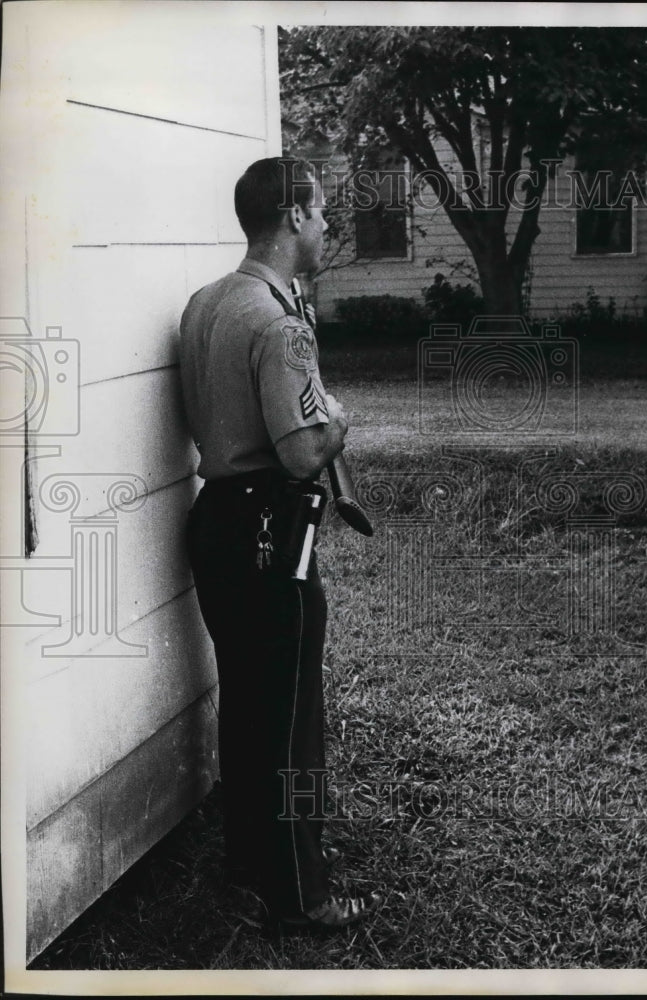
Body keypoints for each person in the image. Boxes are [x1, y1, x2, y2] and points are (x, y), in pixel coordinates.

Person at [179, 156, 379, 930]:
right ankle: (303, 895)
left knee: (250, 707)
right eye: (322, 211)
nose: (327, 225)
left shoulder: (206, 302)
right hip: (271, 529)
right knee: (293, 719)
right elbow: (301, 452)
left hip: (218, 522)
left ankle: (247, 866)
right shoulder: (279, 322)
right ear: (293, 216)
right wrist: (340, 420)